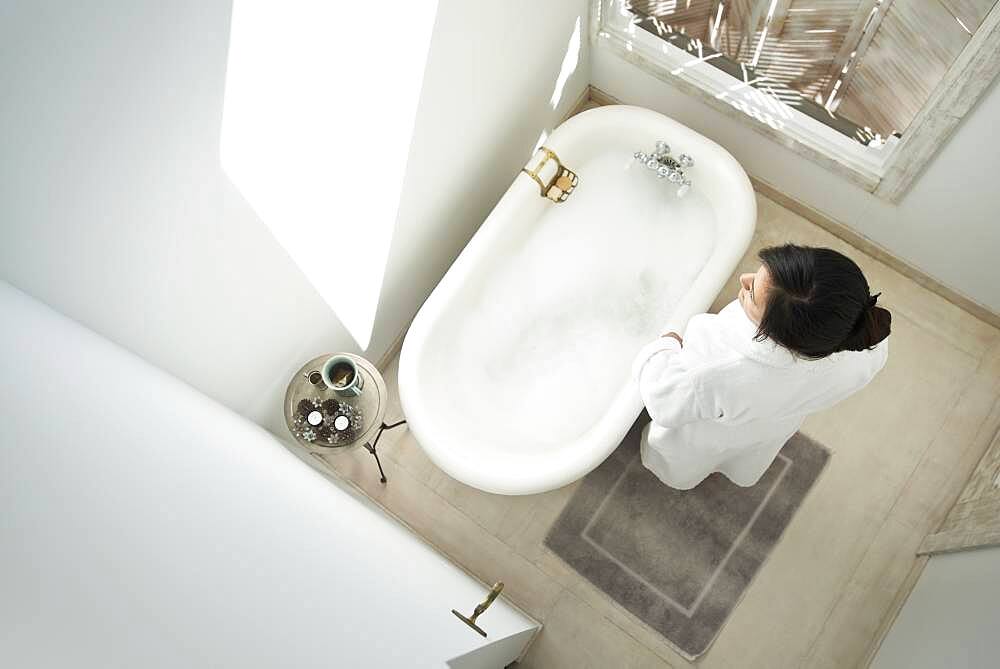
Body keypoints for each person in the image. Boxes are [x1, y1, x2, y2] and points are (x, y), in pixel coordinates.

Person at [631, 244, 891, 489]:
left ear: (777, 336)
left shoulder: (724, 368)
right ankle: (725, 469)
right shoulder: (863, 345)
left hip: (713, 430)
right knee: (745, 453)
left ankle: (685, 473)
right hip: (773, 422)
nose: (744, 278)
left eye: (752, 293)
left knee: (694, 455)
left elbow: (664, 399)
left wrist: (666, 345)